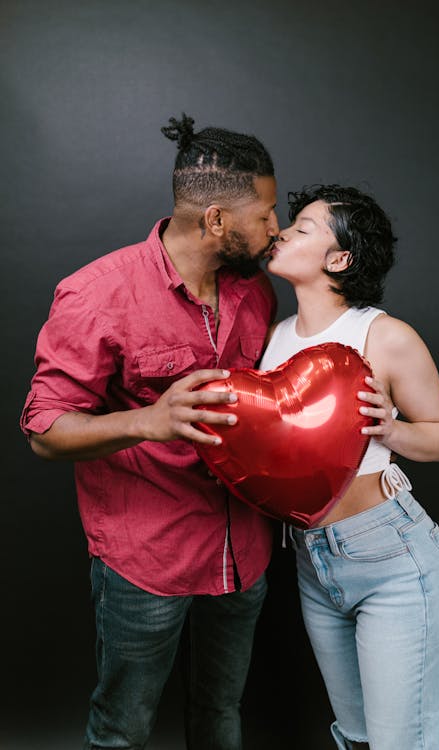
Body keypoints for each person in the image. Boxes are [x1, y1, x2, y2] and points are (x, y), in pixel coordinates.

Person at [20, 113, 279, 750]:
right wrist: (151, 419)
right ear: (217, 220)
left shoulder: (256, 290)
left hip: (242, 552)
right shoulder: (96, 294)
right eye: (266, 214)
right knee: (123, 729)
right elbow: (43, 429)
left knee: (220, 714)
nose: (276, 228)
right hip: (147, 559)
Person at [260, 184, 439, 750]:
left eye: (302, 229)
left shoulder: (385, 335)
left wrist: (390, 429)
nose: (282, 233)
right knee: (357, 734)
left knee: (402, 741)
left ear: (339, 259)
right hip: (311, 561)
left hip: (393, 559)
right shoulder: (272, 341)